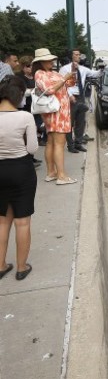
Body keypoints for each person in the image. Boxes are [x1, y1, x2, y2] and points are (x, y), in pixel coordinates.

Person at [0, 75, 38, 281]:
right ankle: (22, 267)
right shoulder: (25, 117)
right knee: (22, 222)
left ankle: (1, 265)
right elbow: (32, 148)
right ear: (19, 95)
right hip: (21, 169)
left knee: (2, 222)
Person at [32, 48, 77, 185]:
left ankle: (51, 172)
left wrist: (71, 77)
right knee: (59, 143)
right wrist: (64, 78)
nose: (51, 61)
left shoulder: (53, 72)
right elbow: (50, 90)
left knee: (51, 142)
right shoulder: (39, 74)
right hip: (56, 112)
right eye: (48, 59)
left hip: (58, 111)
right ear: (40, 62)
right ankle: (61, 176)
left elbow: (68, 84)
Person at [59, 49, 100, 153]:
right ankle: (70, 145)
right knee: (70, 122)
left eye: (79, 54)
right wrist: (69, 95)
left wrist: (102, 69)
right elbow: (62, 83)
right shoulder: (64, 69)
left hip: (80, 97)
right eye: (76, 54)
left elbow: (95, 74)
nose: (78, 56)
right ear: (71, 56)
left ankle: (78, 143)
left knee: (81, 122)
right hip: (71, 97)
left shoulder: (83, 69)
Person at [16, 56, 44, 166]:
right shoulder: (19, 77)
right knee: (26, 134)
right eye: (28, 66)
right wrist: (34, 90)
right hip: (25, 108)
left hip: (36, 108)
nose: (30, 68)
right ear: (23, 67)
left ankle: (31, 157)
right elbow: (23, 92)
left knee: (34, 132)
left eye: (32, 65)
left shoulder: (35, 76)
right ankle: (27, 159)